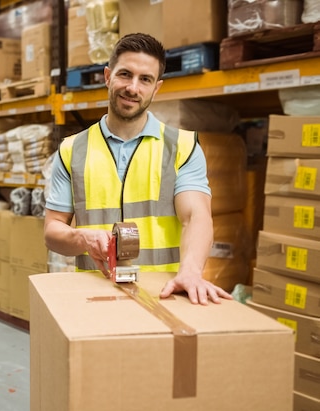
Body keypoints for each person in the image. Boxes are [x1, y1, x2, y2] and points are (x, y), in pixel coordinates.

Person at [44, 33, 233, 306]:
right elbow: (53, 231)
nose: (133, 88)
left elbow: (196, 216)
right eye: (125, 74)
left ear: (156, 88)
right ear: (107, 76)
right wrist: (82, 237)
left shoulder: (182, 147)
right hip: (95, 297)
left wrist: (191, 272)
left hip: (163, 295)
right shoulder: (73, 150)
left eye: (145, 79)